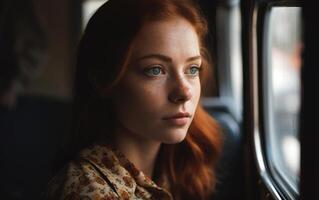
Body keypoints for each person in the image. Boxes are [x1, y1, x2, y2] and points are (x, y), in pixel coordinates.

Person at [46, 0, 222, 199]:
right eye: (155, 70)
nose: (184, 92)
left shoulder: (173, 169)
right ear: (103, 79)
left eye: (192, 69)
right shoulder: (89, 191)